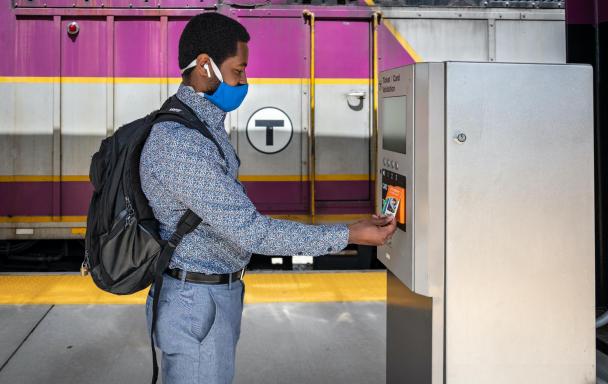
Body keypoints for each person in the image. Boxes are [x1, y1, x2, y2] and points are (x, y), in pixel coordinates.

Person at [139, 12, 397, 384]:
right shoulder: (182, 143)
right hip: (194, 303)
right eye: (238, 70)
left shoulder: (199, 127)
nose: (244, 81)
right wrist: (348, 234)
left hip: (206, 295)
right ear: (204, 66)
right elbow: (252, 233)